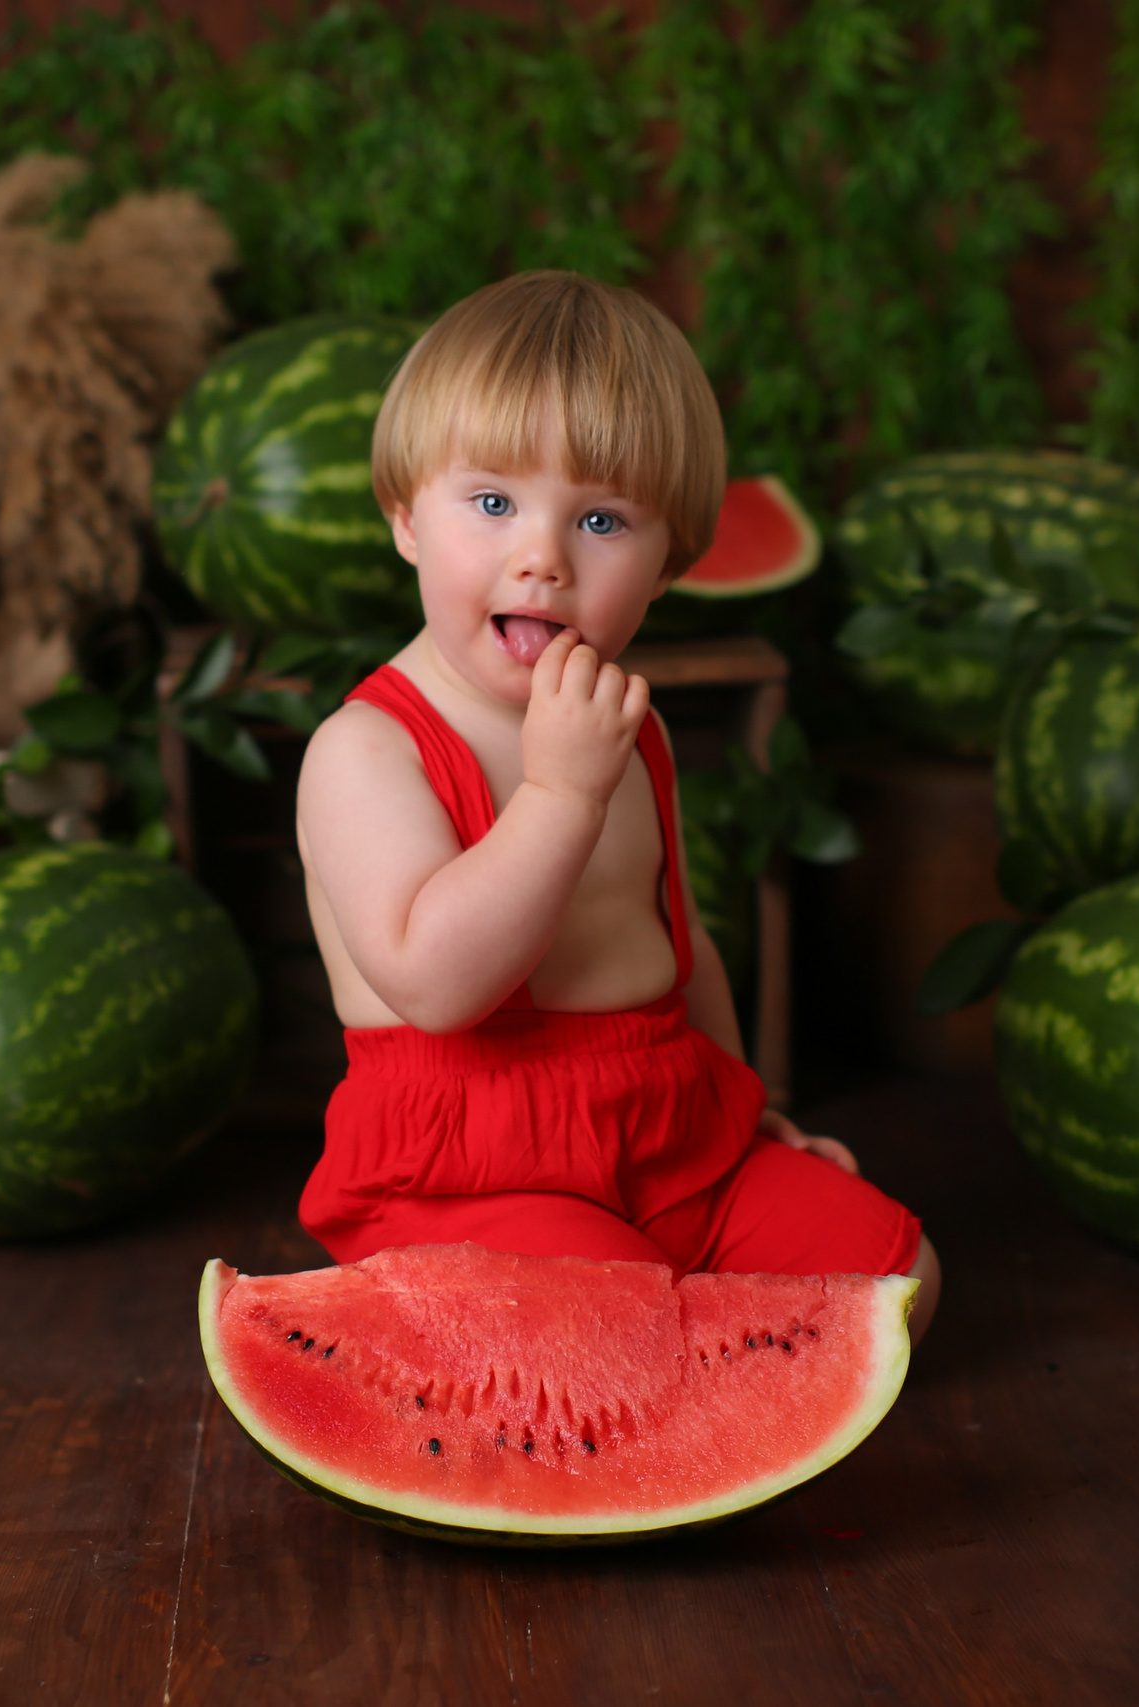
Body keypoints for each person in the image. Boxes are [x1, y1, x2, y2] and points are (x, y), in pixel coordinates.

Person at [293, 271, 939, 1342]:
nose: (541, 558)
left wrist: (747, 1113)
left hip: (669, 1133)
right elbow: (436, 985)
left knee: (898, 1280)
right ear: (405, 517)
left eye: (600, 519)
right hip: (472, 1173)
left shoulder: (634, 733)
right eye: (492, 504)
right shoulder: (367, 749)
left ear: (666, 567)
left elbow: (681, 947)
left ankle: (706, 1351)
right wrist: (559, 795)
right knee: (617, 1338)